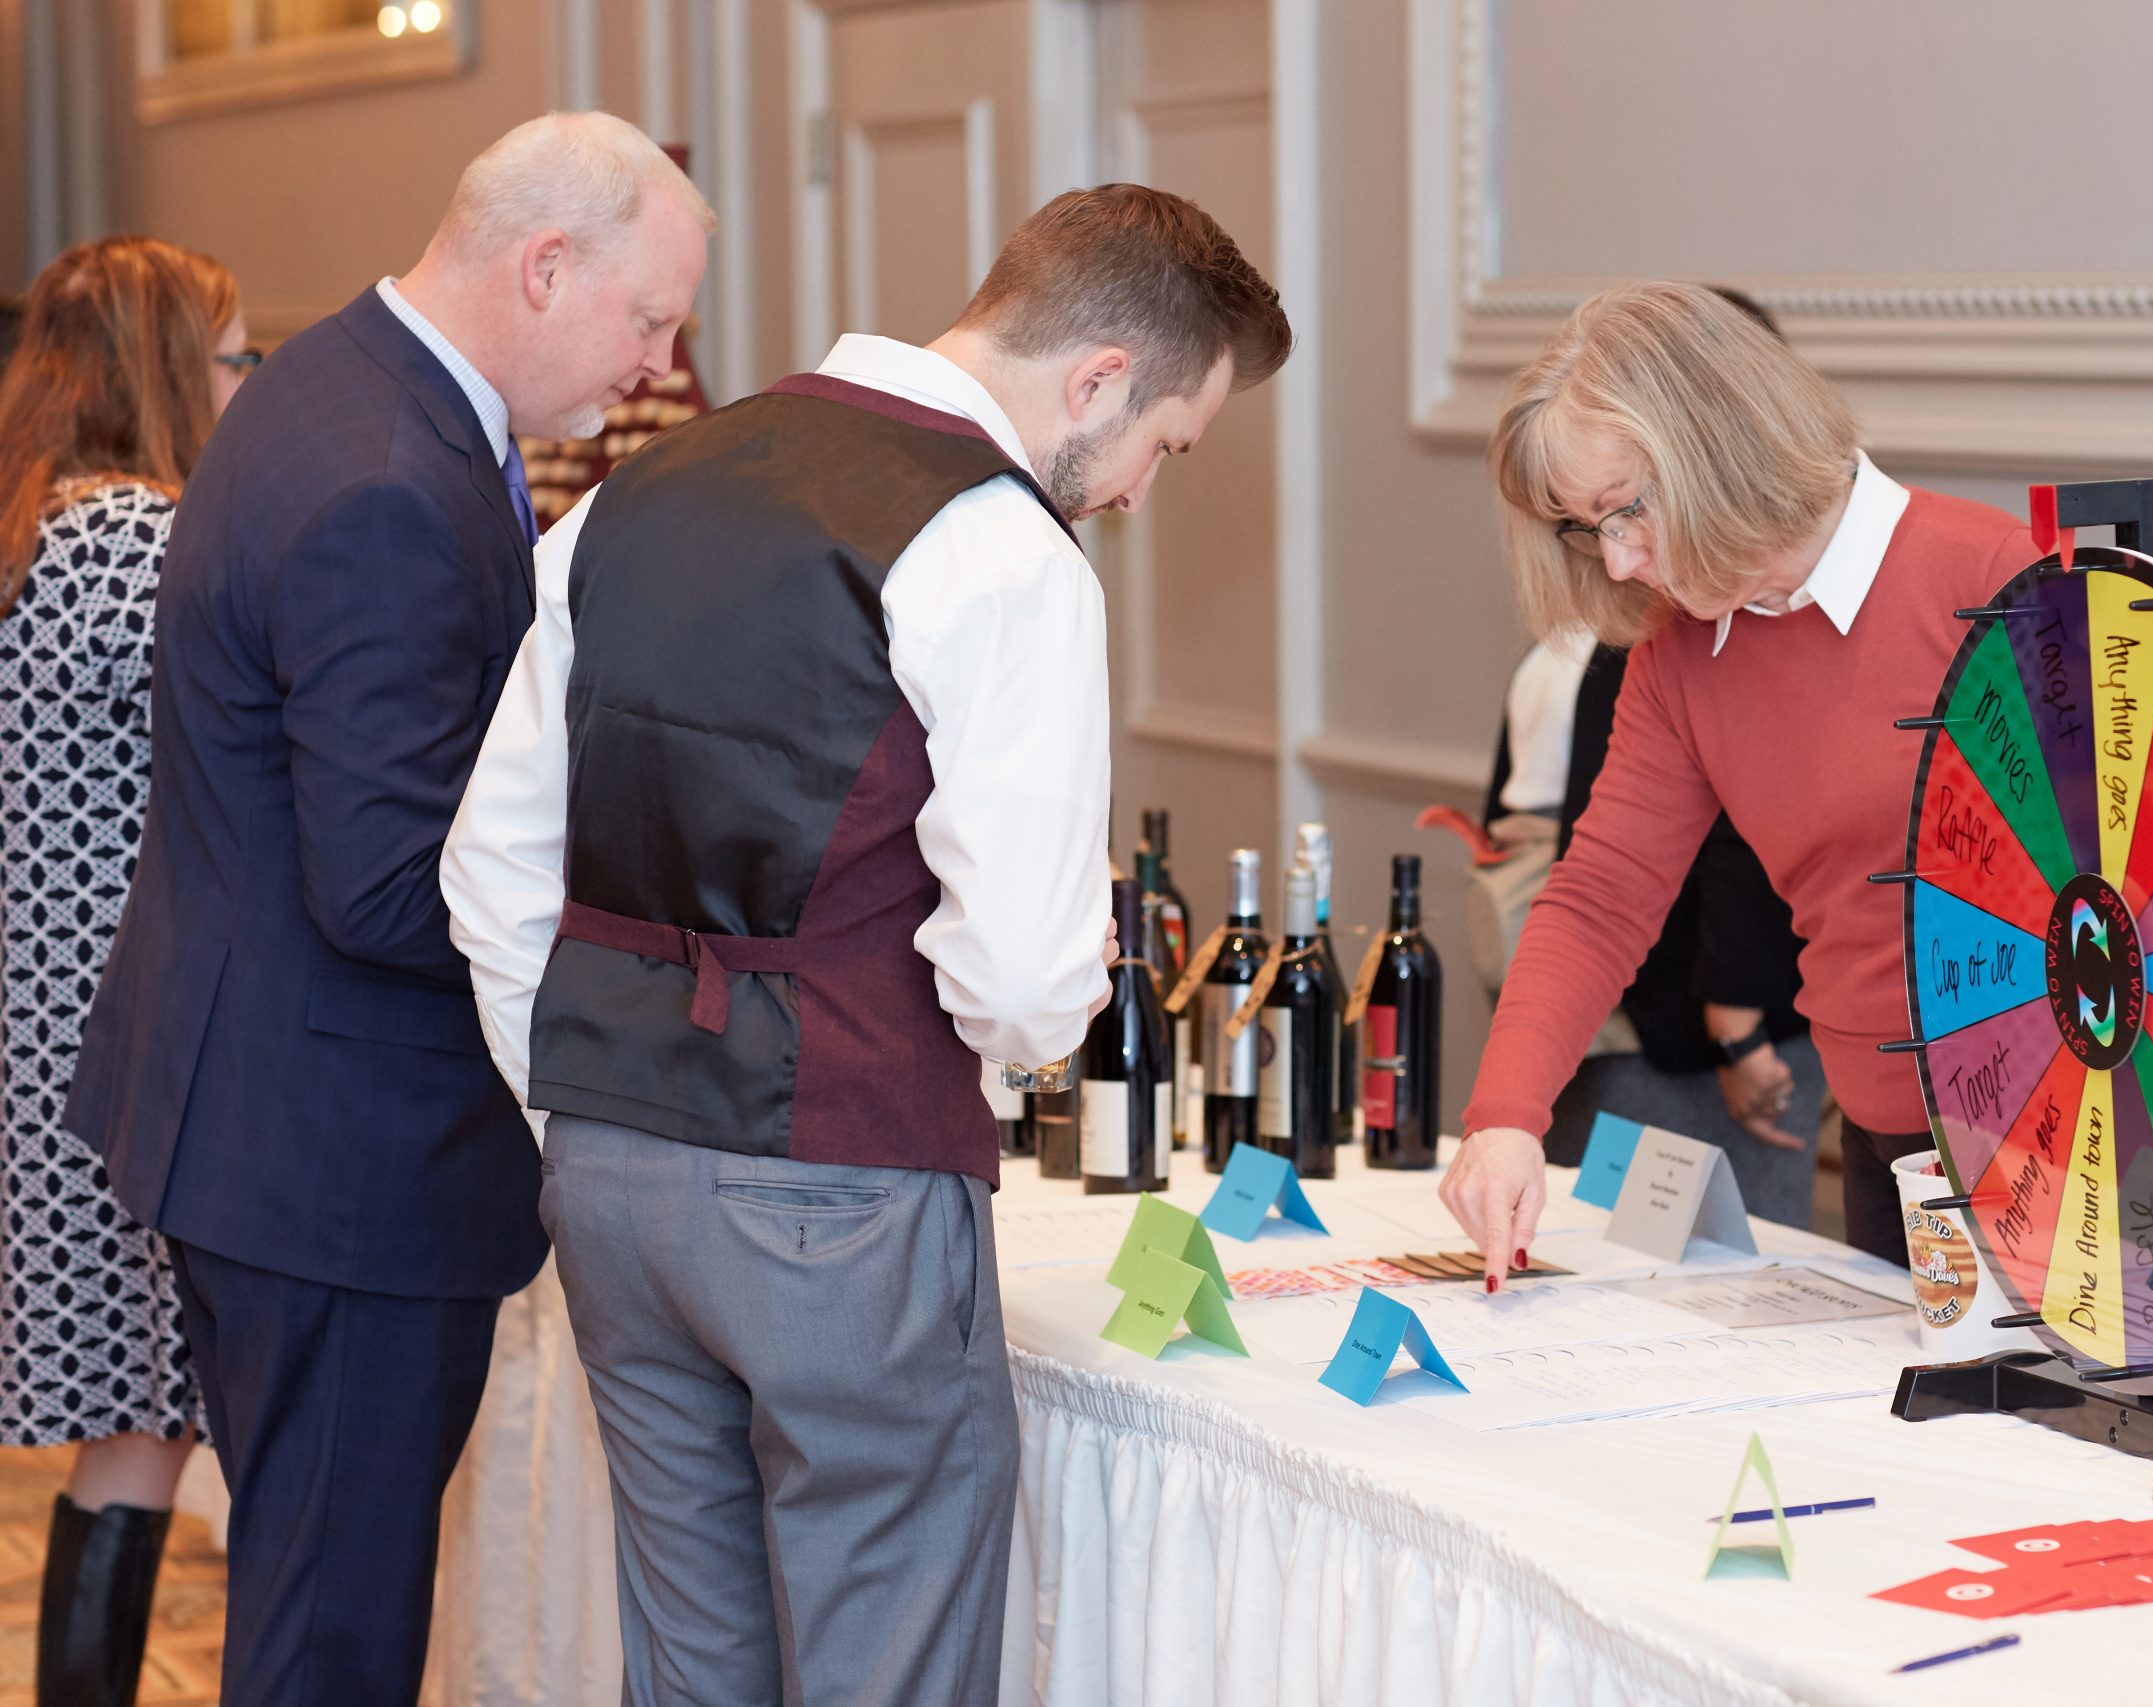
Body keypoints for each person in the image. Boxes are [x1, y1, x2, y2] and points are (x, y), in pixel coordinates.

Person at [442, 181, 1290, 1703]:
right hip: (841, 1183)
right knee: (886, 1664)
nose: (1138, 493)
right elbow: (1022, 970)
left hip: (612, 1176)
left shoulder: (639, 491)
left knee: (691, 1666)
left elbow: (492, 861)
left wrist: (571, 1103)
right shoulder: (1000, 547)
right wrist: (1003, 1061)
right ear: (1098, 377)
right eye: (1167, 444)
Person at [65, 113, 710, 1704]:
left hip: (261, 1110)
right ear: (543, 267)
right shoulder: (388, 479)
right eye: (648, 318)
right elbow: (382, 881)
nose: (659, 361)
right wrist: (641, 941)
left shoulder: (340, 379)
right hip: (337, 1154)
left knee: (311, 1606)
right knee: (330, 1640)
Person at [1440, 281, 2039, 1285]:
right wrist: (1505, 1117)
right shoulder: (1681, 655)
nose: (1618, 564)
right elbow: (1600, 897)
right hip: (1886, 1153)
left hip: (2056, 1149)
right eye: (1589, 529)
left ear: (1720, 448)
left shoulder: (1988, 578)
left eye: (1627, 510)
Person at [0, 234, 244, 1707]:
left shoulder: (29, 523)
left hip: (42, 1019)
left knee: (130, 1417)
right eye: (227, 355)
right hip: (130, 1030)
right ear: (160, 370)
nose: (245, 382)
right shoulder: (140, 541)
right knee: (151, 1408)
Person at [1482, 628, 1826, 1227]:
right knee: (1726, 1254)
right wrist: (1737, 1033)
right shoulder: (1682, 645)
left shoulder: (1548, 656)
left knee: (1592, 1229)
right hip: (1687, 1026)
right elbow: (1739, 832)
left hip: (1587, 1020)